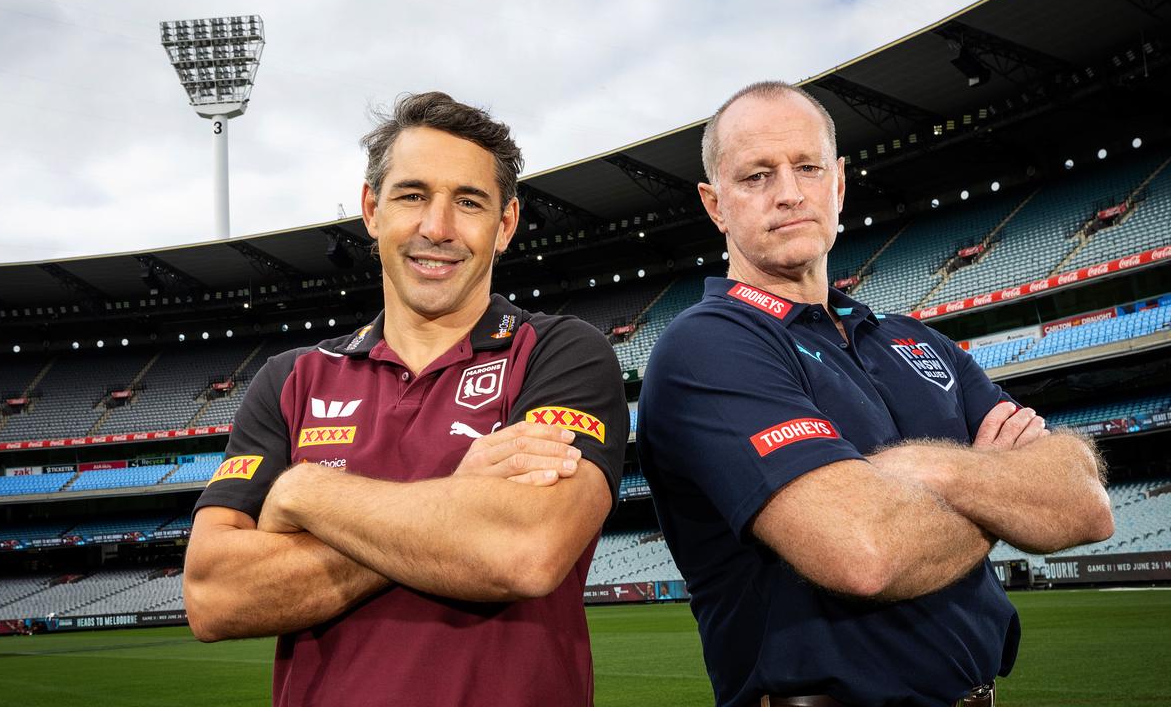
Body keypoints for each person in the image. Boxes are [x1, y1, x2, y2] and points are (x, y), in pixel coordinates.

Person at [637, 81, 1114, 707]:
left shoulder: (917, 340)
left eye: (806, 167)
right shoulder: (706, 346)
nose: (788, 192)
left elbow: (1085, 505)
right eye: (755, 176)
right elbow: (865, 555)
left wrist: (928, 466)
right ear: (715, 204)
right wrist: (1001, 487)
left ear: (838, 183)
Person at [183, 92, 627, 707]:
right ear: (371, 208)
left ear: (505, 226)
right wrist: (460, 505)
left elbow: (523, 552)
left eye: (468, 202)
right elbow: (214, 597)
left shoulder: (560, 354)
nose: (437, 229)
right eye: (412, 195)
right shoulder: (290, 380)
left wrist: (305, 493)